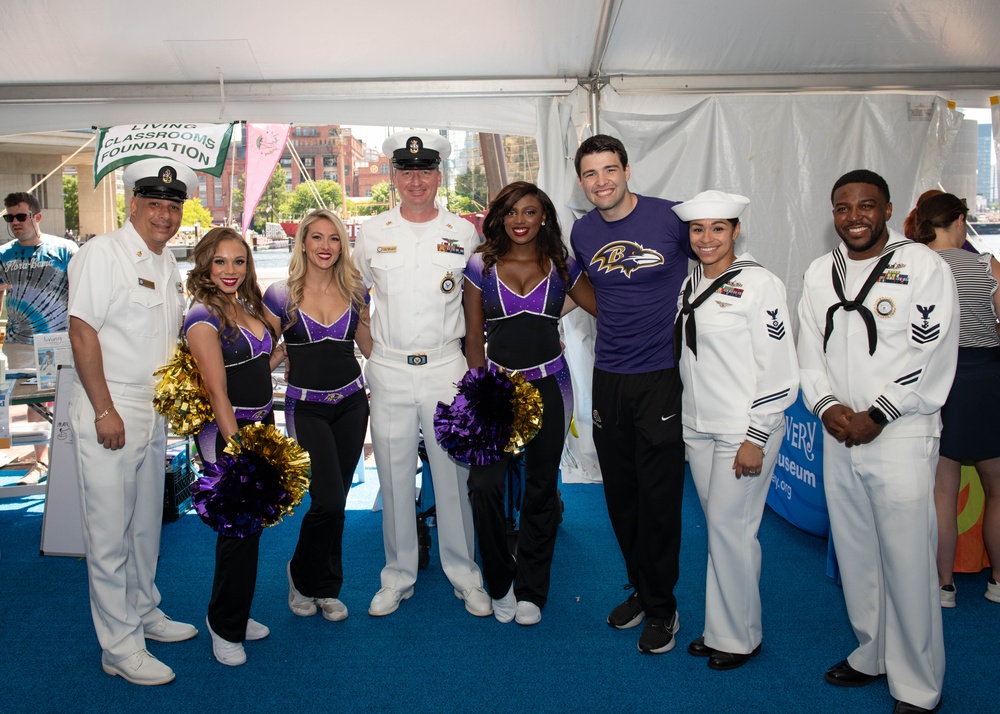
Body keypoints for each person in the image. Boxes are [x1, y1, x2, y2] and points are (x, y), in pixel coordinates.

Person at [797, 169, 957, 714]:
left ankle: (917, 684)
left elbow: (929, 351)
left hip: (900, 433)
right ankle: (874, 651)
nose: (854, 217)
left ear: (888, 209)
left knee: (909, 560)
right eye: (842, 208)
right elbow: (807, 352)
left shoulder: (923, 267)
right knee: (858, 552)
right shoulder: (821, 273)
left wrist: (879, 414)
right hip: (840, 432)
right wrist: (828, 407)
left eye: (866, 206)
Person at [67, 159, 198, 686]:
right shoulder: (104, 254)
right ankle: (119, 647)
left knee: (146, 525)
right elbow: (82, 332)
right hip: (112, 404)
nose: (164, 215)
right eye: (155, 204)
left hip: (153, 406)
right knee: (108, 533)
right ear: (133, 204)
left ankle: (144, 610)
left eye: (173, 205)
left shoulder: (165, 262)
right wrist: (103, 409)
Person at [353, 130, 490, 617]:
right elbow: (356, 299)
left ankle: (464, 573)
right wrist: (373, 354)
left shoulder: (465, 232)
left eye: (425, 171)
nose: (416, 180)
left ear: (438, 175)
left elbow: (475, 304)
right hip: (389, 369)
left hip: (445, 367)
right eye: (407, 171)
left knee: (454, 475)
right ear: (393, 176)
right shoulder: (372, 232)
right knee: (391, 475)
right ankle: (398, 576)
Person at [570, 134, 694, 654]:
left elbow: (713, 263)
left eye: (609, 170)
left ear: (627, 169)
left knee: (659, 497)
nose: (601, 181)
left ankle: (665, 608)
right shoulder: (582, 230)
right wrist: (614, 316)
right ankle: (642, 591)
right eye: (591, 174)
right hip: (609, 376)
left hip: (661, 374)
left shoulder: (671, 218)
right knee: (620, 494)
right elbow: (577, 282)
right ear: (581, 181)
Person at [671, 191, 799, 669]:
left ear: (735, 232)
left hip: (742, 430)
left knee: (733, 529)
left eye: (718, 229)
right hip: (699, 426)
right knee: (722, 529)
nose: (707, 238)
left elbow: (778, 368)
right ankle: (721, 626)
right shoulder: (690, 284)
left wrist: (757, 436)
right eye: (698, 230)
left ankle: (741, 637)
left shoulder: (760, 284)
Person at [463, 181, 597, 626]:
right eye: (512, 212)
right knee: (484, 486)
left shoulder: (561, 264)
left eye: (531, 212)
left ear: (545, 218)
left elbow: (606, 308)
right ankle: (499, 582)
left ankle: (532, 589)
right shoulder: (481, 264)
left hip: (550, 386)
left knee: (541, 489)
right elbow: (474, 340)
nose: (521, 220)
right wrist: (478, 392)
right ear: (500, 216)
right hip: (497, 390)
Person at [263, 209, 371, 623]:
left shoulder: (357, 291)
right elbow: (263, 349)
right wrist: (276, 356)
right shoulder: (281, 295)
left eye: (334, 238)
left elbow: (371, 344)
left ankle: (326, 587)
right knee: (325, 499)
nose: (325, 246)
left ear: (343, 245)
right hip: (305, 406)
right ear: (303, 243)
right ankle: (300, 574)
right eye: (317, 238)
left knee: (338, 501)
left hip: (352, 403)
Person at [185, 227, 284, 666]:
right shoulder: (202, 317)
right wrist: (238, 448)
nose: (230, 270)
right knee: (236, 529)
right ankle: (223, 623)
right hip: (228, 433)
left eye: (239, 261)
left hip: (262, 423)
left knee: (253, 526)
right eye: (221, 261)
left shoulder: (245, 304)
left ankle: (237, 613)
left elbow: (262, 361)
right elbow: (216, 390)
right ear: (206, 264)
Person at [911, 192, 1000, 607]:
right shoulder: (986, 265)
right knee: (997, 490)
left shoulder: (917, 265)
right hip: (985, 377)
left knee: (942, 492)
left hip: (938, 381)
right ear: (960, 220)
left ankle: (943, 585)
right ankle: (997, 581)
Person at [1, 191, 78, 485]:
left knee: (64, 400)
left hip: (58, 340)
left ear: (37, 217)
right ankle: (41, 461)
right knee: (33, 404)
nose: (15, 223)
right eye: (10, 217)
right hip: (19, 341)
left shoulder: (65, 250)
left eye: (21, 216)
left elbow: (81, 291)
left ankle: (70, 456)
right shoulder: (3, 254)